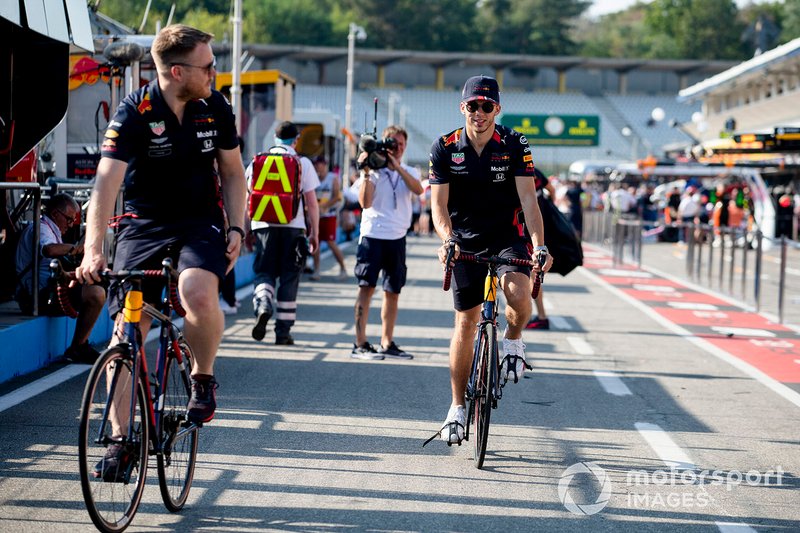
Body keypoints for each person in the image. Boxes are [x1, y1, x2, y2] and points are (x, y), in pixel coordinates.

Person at [76, 23, 247, 452]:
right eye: (207, 67)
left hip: (199, 219)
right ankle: (119, 439)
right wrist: (93, 250)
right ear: (176, 72)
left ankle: (202, 378)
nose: (214, 74)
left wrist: (237, 227)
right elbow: (105, 187)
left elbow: (231, 172)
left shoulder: (217, 108)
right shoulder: (133, 113)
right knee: (128, 329)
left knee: (196, 290)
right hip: (143, 223)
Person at [429, 75, 552, 444]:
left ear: (497, 109)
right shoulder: (445, 147)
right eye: (472, 106)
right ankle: (456, 408)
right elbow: (438, 206)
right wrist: (447, 239)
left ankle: (513, 340)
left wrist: (539, 245)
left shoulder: (516, 143)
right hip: (464, 237)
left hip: (506, 235)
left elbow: (530, 202)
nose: (479, 113)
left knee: (518, 294)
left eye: (487, 106)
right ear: (462, 107)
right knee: (465, 323)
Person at [351, 125, 423, 361]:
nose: (397, 148)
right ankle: (360, 343)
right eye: (392, 143)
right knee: (366, 289)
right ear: (383, 143)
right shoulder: (374, 170)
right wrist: (366, 172)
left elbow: (418, 189)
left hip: (397, 238)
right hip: (373, 236)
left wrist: (397, 167)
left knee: (392, 291)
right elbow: (365, 203)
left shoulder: (409, 169)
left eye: (401, 144)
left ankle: (386, 341)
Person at [249, 121, 319, 345]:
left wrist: (244, 229)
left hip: (263, 226)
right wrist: (314, 232)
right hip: (293, 228)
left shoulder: (258, 160)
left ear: (275, 139)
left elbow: (247, 197)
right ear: (296, 140)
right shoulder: (302, 163)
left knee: (264, 272)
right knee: (290, 277)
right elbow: (312, 203)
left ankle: (263, 303)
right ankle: (283, 332)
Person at [15, 193, 106, 362]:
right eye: (69, 219)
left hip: (46, 292)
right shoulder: (40, 228)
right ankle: (78, 347)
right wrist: (77, 249)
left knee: (101, 281)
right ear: (56, 214)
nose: (71, 225)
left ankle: (81, 345)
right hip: (36, 297)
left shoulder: (50, 230)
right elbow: (49, 250)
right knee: (95, 294)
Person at [310, 155, 347, 281]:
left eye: (318, 164)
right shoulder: (314, 178)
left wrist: (324, 206)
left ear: (324, 165)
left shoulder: (332, 178)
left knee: (331, 243)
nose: (316, 167)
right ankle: (316, 270)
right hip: (317, 216)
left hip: (329, 215)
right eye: (315, 164)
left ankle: (343, 268)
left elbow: (337, 197)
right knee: (316, 244)